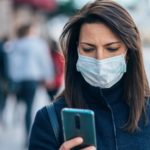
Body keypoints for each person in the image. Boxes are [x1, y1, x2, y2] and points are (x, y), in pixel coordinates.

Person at [29, 0, 150, 150]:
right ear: (76, 52)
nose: (100, 58)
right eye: (88, 49)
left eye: (111, 48)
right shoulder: (49, 119)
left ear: (129, 53)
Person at [5, 24, 54, 141]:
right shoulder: (38, 44)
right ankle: (27, 135)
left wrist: (12, 77)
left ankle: (15, 120)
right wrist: (48, 76)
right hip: (31, 79)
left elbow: (11, 63)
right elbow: (44, 61)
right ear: (30, 31)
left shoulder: (15, 44)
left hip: (17, 80)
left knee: (17, 103)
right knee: (29, 107)